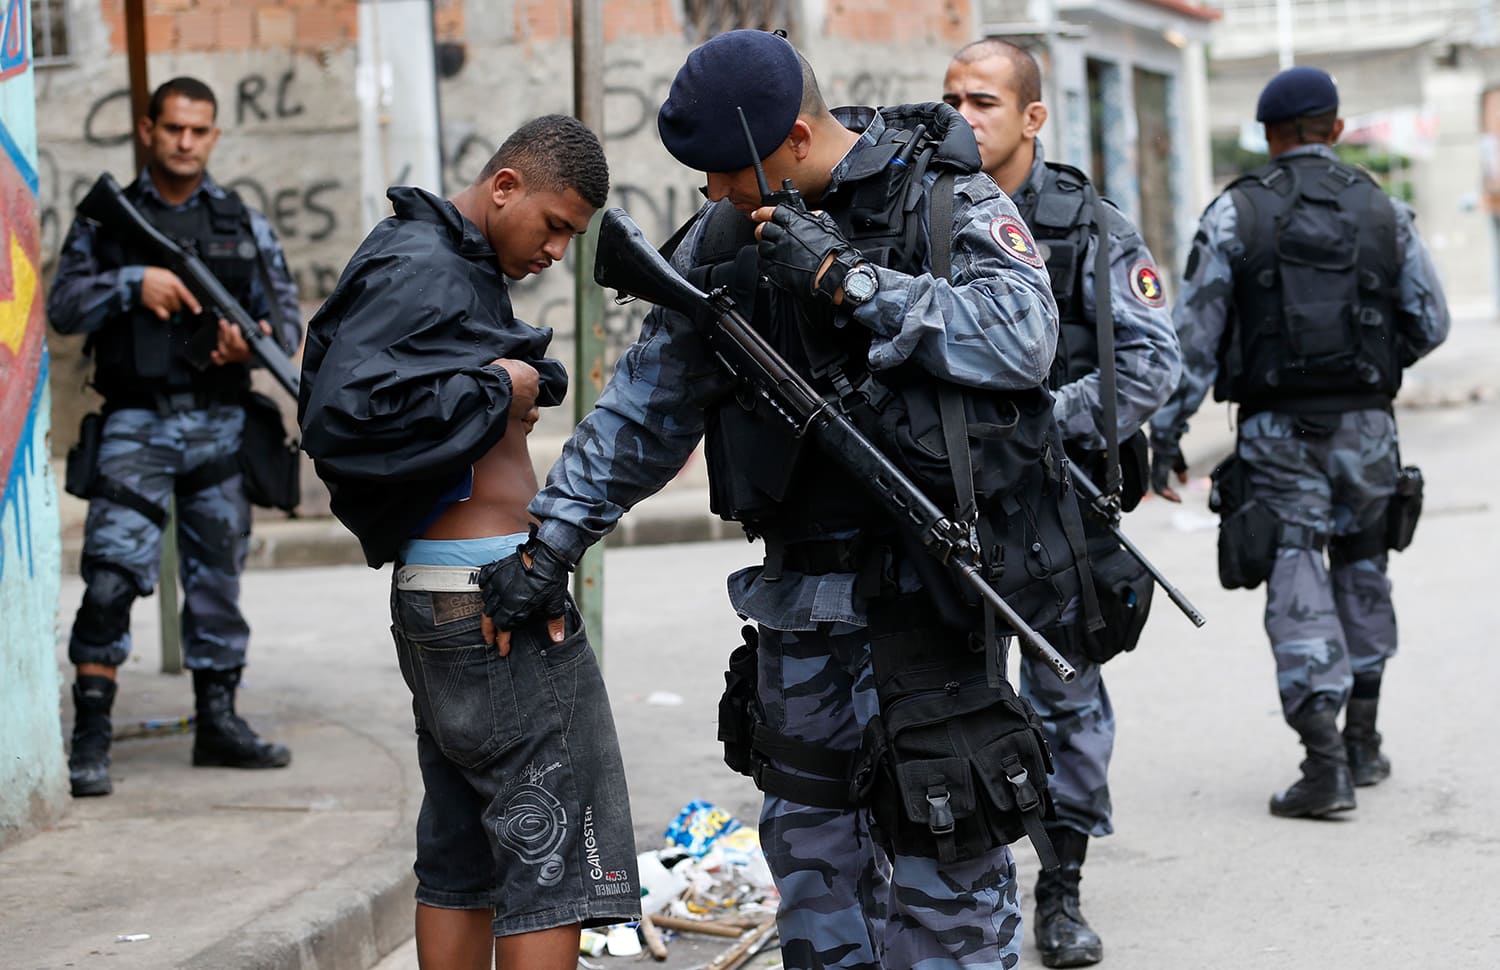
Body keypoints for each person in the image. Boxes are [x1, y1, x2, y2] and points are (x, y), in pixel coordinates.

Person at [485, 29, 1094, 970]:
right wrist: (551, 543)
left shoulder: (940, 199)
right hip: (801, 615)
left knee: (947, 884)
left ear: (801, 138)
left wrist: (856, 284)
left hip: (931, 601)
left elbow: (1023, 339)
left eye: (734, 173)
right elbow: (643, 414)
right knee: (814, 875)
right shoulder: (725, 243)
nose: (719, 196)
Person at [297, 114, 639, 970]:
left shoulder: (443, 261)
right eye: (554, 224)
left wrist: (510, 378)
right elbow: (342, 418)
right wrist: (499, 386)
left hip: (448, 601)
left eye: (574, 235)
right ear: (504, 186)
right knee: (552, 858)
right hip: (493, 604)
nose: (559, 250)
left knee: (464, 856)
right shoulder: (427, 265)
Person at [1150, 66, 1449, 819]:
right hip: (1369, 428)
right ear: (1337, 129)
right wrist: (1374, 366)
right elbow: (1431, 320)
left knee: (1296, 578)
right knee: (1363, 567)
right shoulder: (1385, 211)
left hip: (1279, 432)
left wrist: (1165, 431)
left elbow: (1193, 342)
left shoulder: (1235, 216)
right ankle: (1365, 743)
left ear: (1269, 136)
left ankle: (1324, 767)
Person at [943, 39, 1181, 969]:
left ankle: (1063, 885)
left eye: (985, 102)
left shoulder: (1088, 225)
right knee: (946, 697)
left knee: (1066, 699)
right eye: (952, 98)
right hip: (951, 506)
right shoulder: (927, 210)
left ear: (1032, 118)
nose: (963, 116)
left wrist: (1039, 420)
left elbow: (1155, 359)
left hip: (1060, 504)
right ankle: (958, 887)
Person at [47, 76, 302, 798]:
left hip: (220, 424)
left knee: (218, 581)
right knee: (109, 579)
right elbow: (62, 305)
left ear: (214, 137)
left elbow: (284, 331)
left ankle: (217, 723)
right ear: (148, 130)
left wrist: (241, 349)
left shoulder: (242, 224)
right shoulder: (109, 221)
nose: (186, 142)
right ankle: (91, 732)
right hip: (136, 422)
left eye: (200, 130)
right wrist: (136, 284)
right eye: (174, 129)